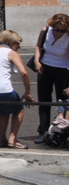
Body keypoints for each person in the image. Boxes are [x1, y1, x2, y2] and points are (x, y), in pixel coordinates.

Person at [33, 13, 69, 141]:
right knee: (44, 100)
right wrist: (37, 61)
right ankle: (42, 131)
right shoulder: (45, 30)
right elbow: (38, 46)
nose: (59, 33)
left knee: (63, 100)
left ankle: (64, 131)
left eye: (62, 30)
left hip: (63, 69)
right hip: (45, 67)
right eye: (56, 29)